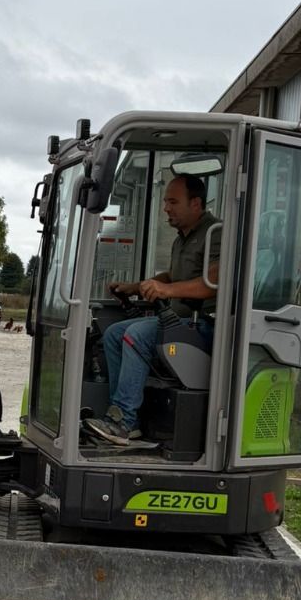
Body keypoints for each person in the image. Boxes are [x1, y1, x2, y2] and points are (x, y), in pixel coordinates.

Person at [84, 173, 219, 446]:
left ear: (195, 203)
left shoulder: (215, 234)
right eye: (166, 201)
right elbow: (173, 276)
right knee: (114, 334)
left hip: (204, 325)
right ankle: (126, 419)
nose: (166, 208)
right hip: (180, 323)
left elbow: (214, 282)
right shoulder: (181, 238)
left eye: (173, 202)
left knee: (137, 334)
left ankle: (122, 421)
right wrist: (136, 287)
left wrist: (167, 291)